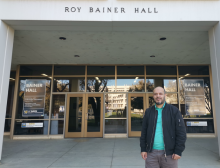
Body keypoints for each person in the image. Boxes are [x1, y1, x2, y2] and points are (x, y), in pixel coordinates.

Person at [140, 86, 186, 168]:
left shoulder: (174, 111)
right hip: (151, 153)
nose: (158, 96)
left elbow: (181, 132)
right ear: (153, 96)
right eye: (155, 94)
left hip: (169, 154)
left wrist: (178, 150)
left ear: (165, 95)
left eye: (160, 94)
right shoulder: (148, 112)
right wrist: (143, 149)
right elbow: (144, 131)